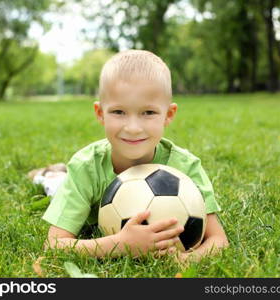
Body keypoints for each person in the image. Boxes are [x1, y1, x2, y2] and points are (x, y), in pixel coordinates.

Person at [42, 50, 229, 262]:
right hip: (74, 181)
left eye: (148, 113)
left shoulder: (186, 166)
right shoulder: (86, 167)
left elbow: (218, 239)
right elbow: (55, 245)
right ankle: (48, 175)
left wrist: (186, 260)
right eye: (119, 112)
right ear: (100, 113)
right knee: (55, 186)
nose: (132, 128)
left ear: (168, 115)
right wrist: (120, 244)